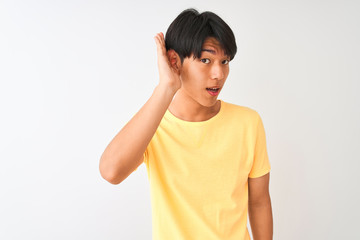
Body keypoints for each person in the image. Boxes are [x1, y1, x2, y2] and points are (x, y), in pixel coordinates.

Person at [99, 8, 273, 240]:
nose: (218, 73)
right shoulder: (153, 126)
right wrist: (166, 87)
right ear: (174, 61)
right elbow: (111, 172)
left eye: (225, 61)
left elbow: (260, 202)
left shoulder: (248, 123)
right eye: (205, 60)